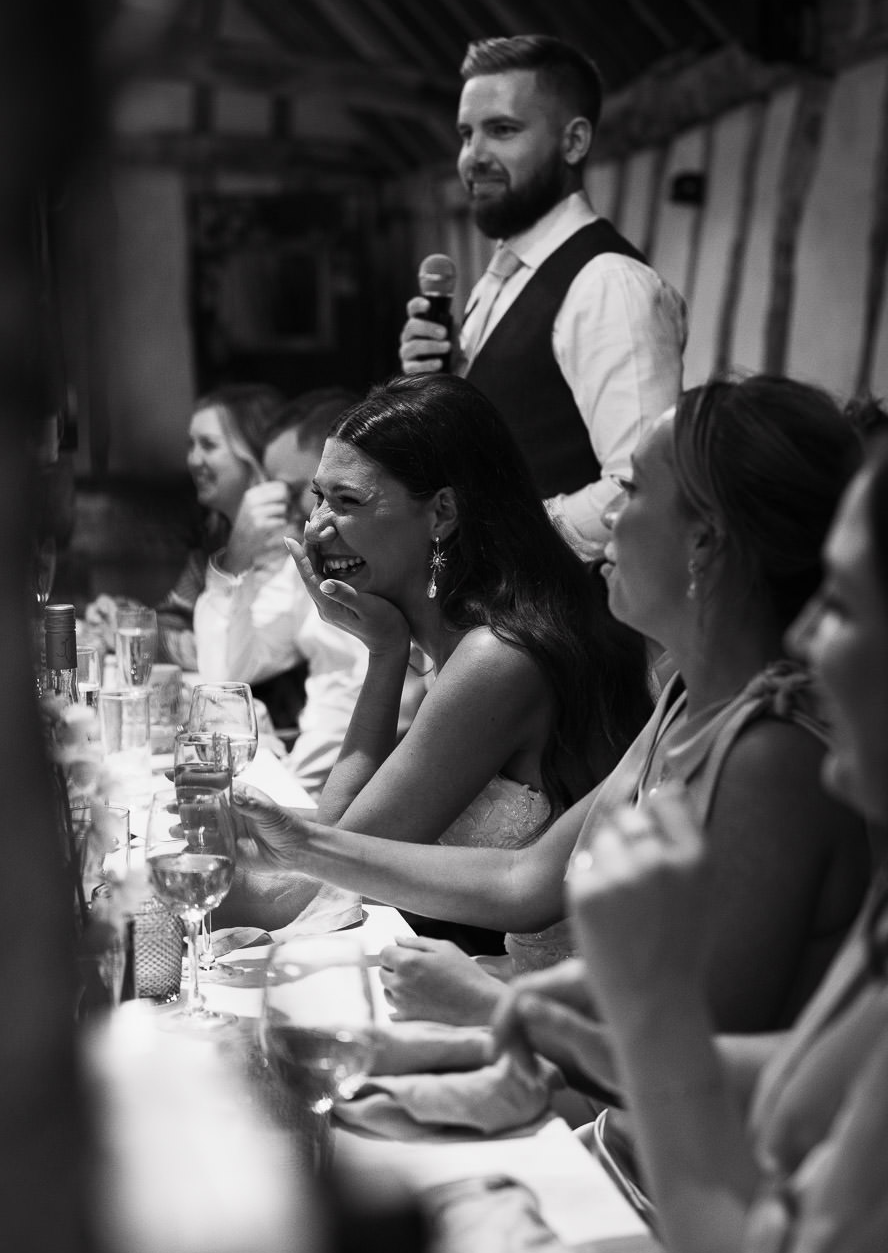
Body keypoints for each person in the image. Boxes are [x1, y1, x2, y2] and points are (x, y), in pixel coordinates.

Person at [232, 374, 870, 1037]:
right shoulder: (685, 696)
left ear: (705, 540)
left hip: (610, 1097)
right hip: (576, 1046)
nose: (611, 516)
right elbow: (526, 879)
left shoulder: (772, 752)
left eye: (634, 489)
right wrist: (307, 843)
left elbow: (705, 1061)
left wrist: (500, 1015)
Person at [513, 449, 888, 1253]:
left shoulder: (772, 746)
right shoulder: (690, 701)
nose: (804, 635)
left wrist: (645, 1017)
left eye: (844, 605)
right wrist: (582, 1029)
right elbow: (814, 1077)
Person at [221, 371, 653, 937]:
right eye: (318, 498)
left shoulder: (496, 658)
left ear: (442, 513)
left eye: (347, 502)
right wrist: (384, 653)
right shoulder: (461, 638)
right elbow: (337, 838)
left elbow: (328, 872)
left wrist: (135, 895)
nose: (317, 529)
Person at [400, 34, 687, 561]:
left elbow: (641, 485)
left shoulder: (608, 282)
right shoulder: (502, 278)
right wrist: (451, 382)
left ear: (574, 142)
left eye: (502, 130)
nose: (472, 156)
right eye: (466, 134)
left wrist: (499, 540)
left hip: (569, 630)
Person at [193, 388, 375, 798]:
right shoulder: (302, 566)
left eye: (296, 491)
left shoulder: (390, 570)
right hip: (308, 795)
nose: (285, 507)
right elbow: (226, 679)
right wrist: (235, 560)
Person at [84, 382, 284, 668]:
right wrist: (123, 615)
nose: (193, 459)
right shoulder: (216, 533)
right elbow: (177, 617)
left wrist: (131, 635)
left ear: (252, 455)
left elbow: (217, 653)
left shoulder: (282, 543)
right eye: (190, 445)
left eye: (208, 445)